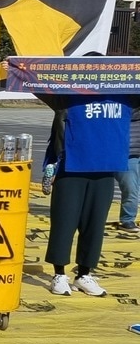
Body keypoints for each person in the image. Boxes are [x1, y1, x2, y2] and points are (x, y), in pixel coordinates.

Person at [40, 89, 132, 296]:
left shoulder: (126, 96)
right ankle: (59, 274)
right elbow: (39, 85)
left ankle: (84, 274)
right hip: (71, 167)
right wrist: (19, 71)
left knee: (95, 225)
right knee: (64, 222)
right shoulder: (68, 96)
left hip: (105, 169)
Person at [118, 101, 139, 232]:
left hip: (134, 154)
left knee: (134, 188)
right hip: (126, 154)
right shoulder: (124, 110)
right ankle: (127, 219)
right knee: (131, 188)